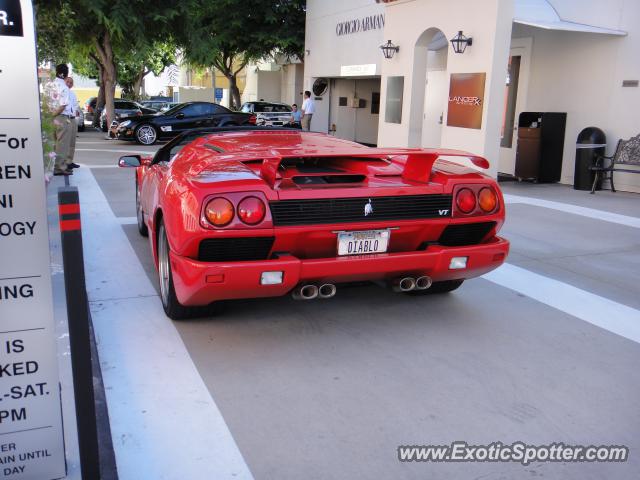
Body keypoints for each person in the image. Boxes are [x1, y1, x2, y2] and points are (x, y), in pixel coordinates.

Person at [45, 64, 74, 176]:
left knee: (52, 143)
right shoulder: (64, 87)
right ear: (66, 74)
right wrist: (54, 114)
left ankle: (50, 166)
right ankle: (59, 168)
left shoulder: (49, 85)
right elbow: (62, 106)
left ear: (56, 72)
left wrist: (50, 116)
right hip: (61, 117)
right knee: (62, 144)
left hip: (50, 117)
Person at [64, 77, 81, 170]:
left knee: (72, 142)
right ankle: (63, 163)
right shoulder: (62, 92)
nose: (69, 84)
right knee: (64, 142)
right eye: (68, 82)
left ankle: (69, 161)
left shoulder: (72, 94)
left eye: (71, 82)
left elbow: (75, 106)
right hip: (65, 118)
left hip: (72, 118)